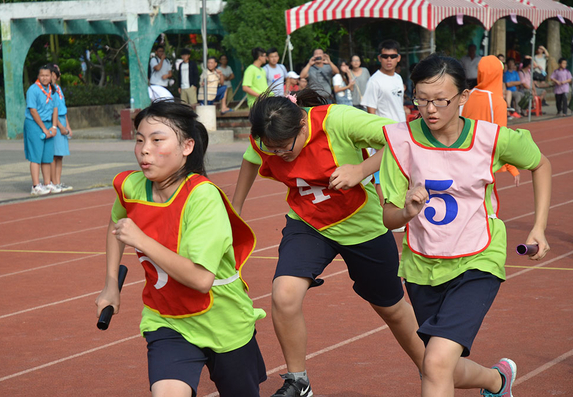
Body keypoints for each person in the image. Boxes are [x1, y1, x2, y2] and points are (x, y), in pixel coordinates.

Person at [232, 89, 425, 397]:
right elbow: (250, 160)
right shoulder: (265, 137)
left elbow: (405, 138)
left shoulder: (339, 121)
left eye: (285, 148)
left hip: (363, 227)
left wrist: (360, 170)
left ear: (303, 125)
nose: (278, 154)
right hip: (308, 224)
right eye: (272, 148)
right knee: (284, 295)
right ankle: (299, 381)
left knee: (390, 309)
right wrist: (236, 208)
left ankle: (431, 368)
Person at [381, 53, 552, 397]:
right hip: (422, 266)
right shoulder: (400, 142)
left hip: (478, 259)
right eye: (421, 100)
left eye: (440, 101)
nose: (429, 109)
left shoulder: (491, 138)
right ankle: (497, 381)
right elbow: (388, 217)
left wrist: (539, 227)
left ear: (462, 98)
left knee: (435, 364)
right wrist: (407, 211)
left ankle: (496, 382)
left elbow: (541, 164)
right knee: (440, 365)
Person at [95, 100, 267, 397]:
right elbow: (117, 227)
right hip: (167, 318)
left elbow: (201, 280)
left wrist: (142, 240)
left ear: (187, 146)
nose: (144, 149)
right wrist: (111, 284)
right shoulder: (131, 187)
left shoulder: (202, 198)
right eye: (139, 140)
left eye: (157, 140)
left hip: (223, 318)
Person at [361, 39, 406, 215]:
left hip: (400, 132)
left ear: (398, 58)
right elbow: (370, 111)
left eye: (393, 56)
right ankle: (384, 214)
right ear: (379, 58)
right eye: (385, 56)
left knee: (400, 174)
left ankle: (398, 211)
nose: (389, 59)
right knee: (381, 176)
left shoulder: (398, 78)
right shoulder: (374, 81)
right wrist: (373, 138)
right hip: (383, 134)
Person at [461, 55, 520, 186]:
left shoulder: (466, 95)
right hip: (485, 162)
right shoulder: (497, 102)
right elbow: (502, 138)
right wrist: (511, 166)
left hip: (463, 158)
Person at [24, 64, 59, 196]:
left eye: (47, 75)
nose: (44, 78)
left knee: (47, 156)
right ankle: (35, 185)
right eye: (42, 75)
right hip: (35, 124)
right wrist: (44, 129)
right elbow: (33, 110)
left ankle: (47, 183)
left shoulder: (52, 89)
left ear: (51, 77)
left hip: (49, 123)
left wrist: (54, 127)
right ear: (38, 76)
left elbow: (55, 109)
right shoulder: (33, 90)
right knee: (36, 155)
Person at [49, 64, 73, 192]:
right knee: (54, 155)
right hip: (56, 123)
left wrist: (67, 126)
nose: (58, 75)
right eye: (56, 72)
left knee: (60, 155)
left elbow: (63, 108)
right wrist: (60, 126)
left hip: (62, 121)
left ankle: (58, 182)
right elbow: (53, 110)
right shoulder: (49, 90)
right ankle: (53, 182)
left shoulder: (58, 88)